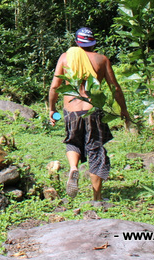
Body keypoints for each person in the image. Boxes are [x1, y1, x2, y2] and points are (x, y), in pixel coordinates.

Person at [48, 27, 131, 201]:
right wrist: (123, 110)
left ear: (77, 42)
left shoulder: (65, 58)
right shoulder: (101, 59)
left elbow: (55, 87)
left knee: (73, 142)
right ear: (93, 42)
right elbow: (114, 88)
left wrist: (52, 109)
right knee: (95, 149)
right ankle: (97, 198)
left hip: (71, 110)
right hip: (93, 109)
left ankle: (73, 168)